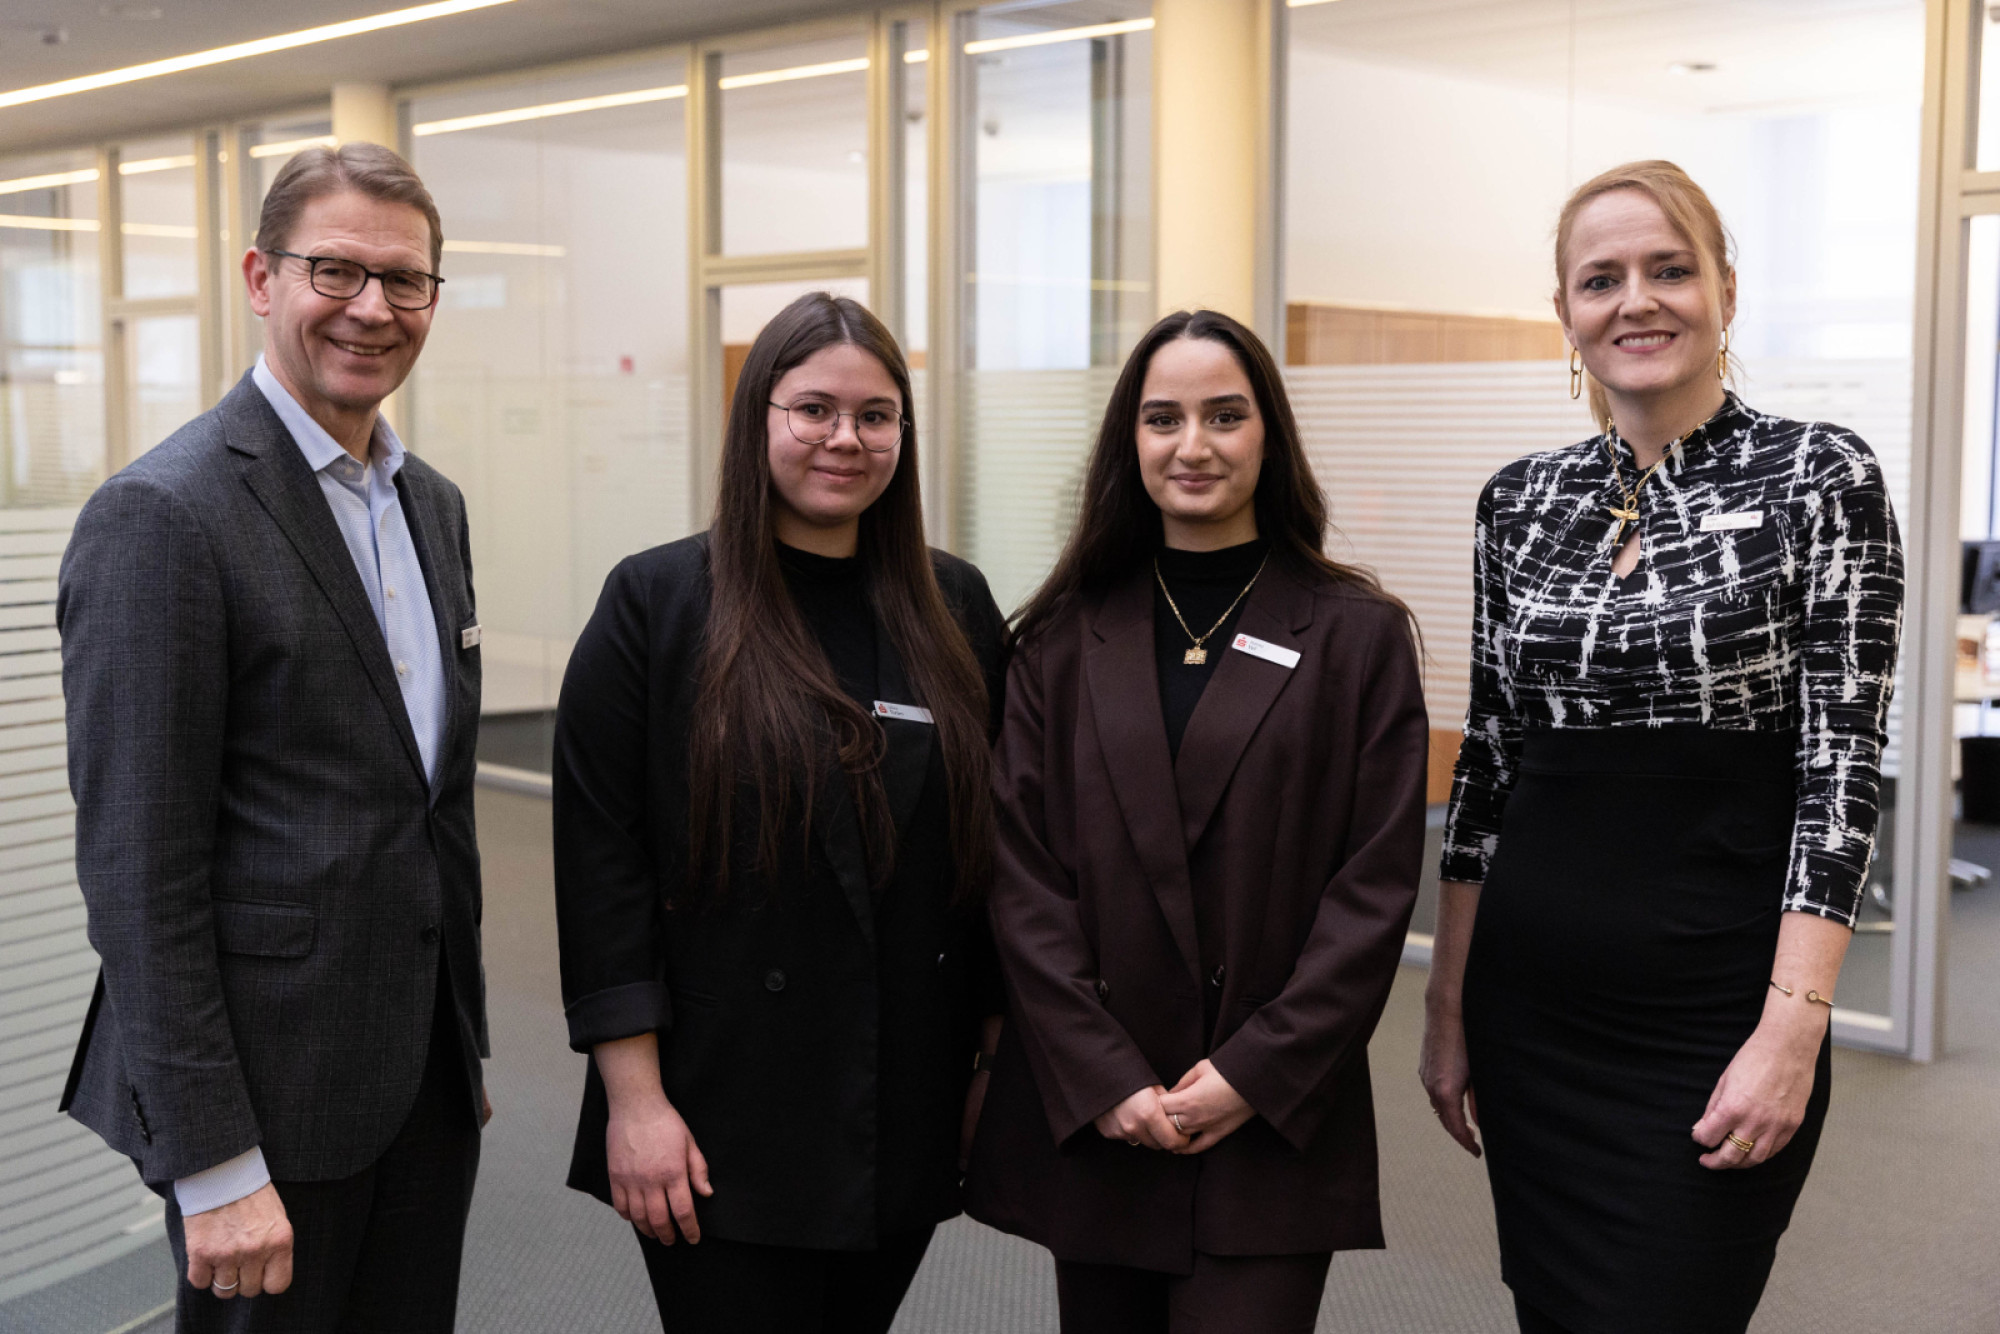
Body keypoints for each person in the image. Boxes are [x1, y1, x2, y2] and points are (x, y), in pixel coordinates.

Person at [1420, 160, 1905, 1334]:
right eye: (1600, 279)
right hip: (1532, 1006)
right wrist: (1445, 1003)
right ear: (1564, 316)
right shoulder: (1517, 502)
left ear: (1724, 291)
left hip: (1715, 1009)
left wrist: (1792, 1029)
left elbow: (1837, 776)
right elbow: (1486, 765)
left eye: (1667, 268)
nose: (1634, 300)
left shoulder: (1815, 475)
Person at [56, 143, 489, 1332]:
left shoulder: (429, 503)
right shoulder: (163, 514)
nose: (371, 308)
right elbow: (140, 873)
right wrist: (213, 1161)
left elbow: (424, 803)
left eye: (405, 280)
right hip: (267, 1103)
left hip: (418, 1075)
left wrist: (459, 1044)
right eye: (334, 270)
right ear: (260, 276)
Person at [964, 309, 1429, 1333]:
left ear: (1268, 432)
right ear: (1128, 443)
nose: (1193, 445)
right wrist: (1104, 1074)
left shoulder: (1358, 637)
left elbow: (1375, 886)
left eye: (1224, 414)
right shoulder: (1056, 639)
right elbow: (1020, 874)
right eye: (1162, 418)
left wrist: (1249, 1075)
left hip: (1269, 1113)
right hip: (1102, 1113)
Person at [552, 292, 1007, 1334]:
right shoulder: (658, 603)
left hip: (901, 1092)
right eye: (812, 409)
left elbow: (985, 862)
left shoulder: (953, 608)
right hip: (716, 1107)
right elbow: (601, 863)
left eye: (876, 414)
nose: (845, 438)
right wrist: (635, 1102)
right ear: (757, 418)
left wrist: (989, 1064)